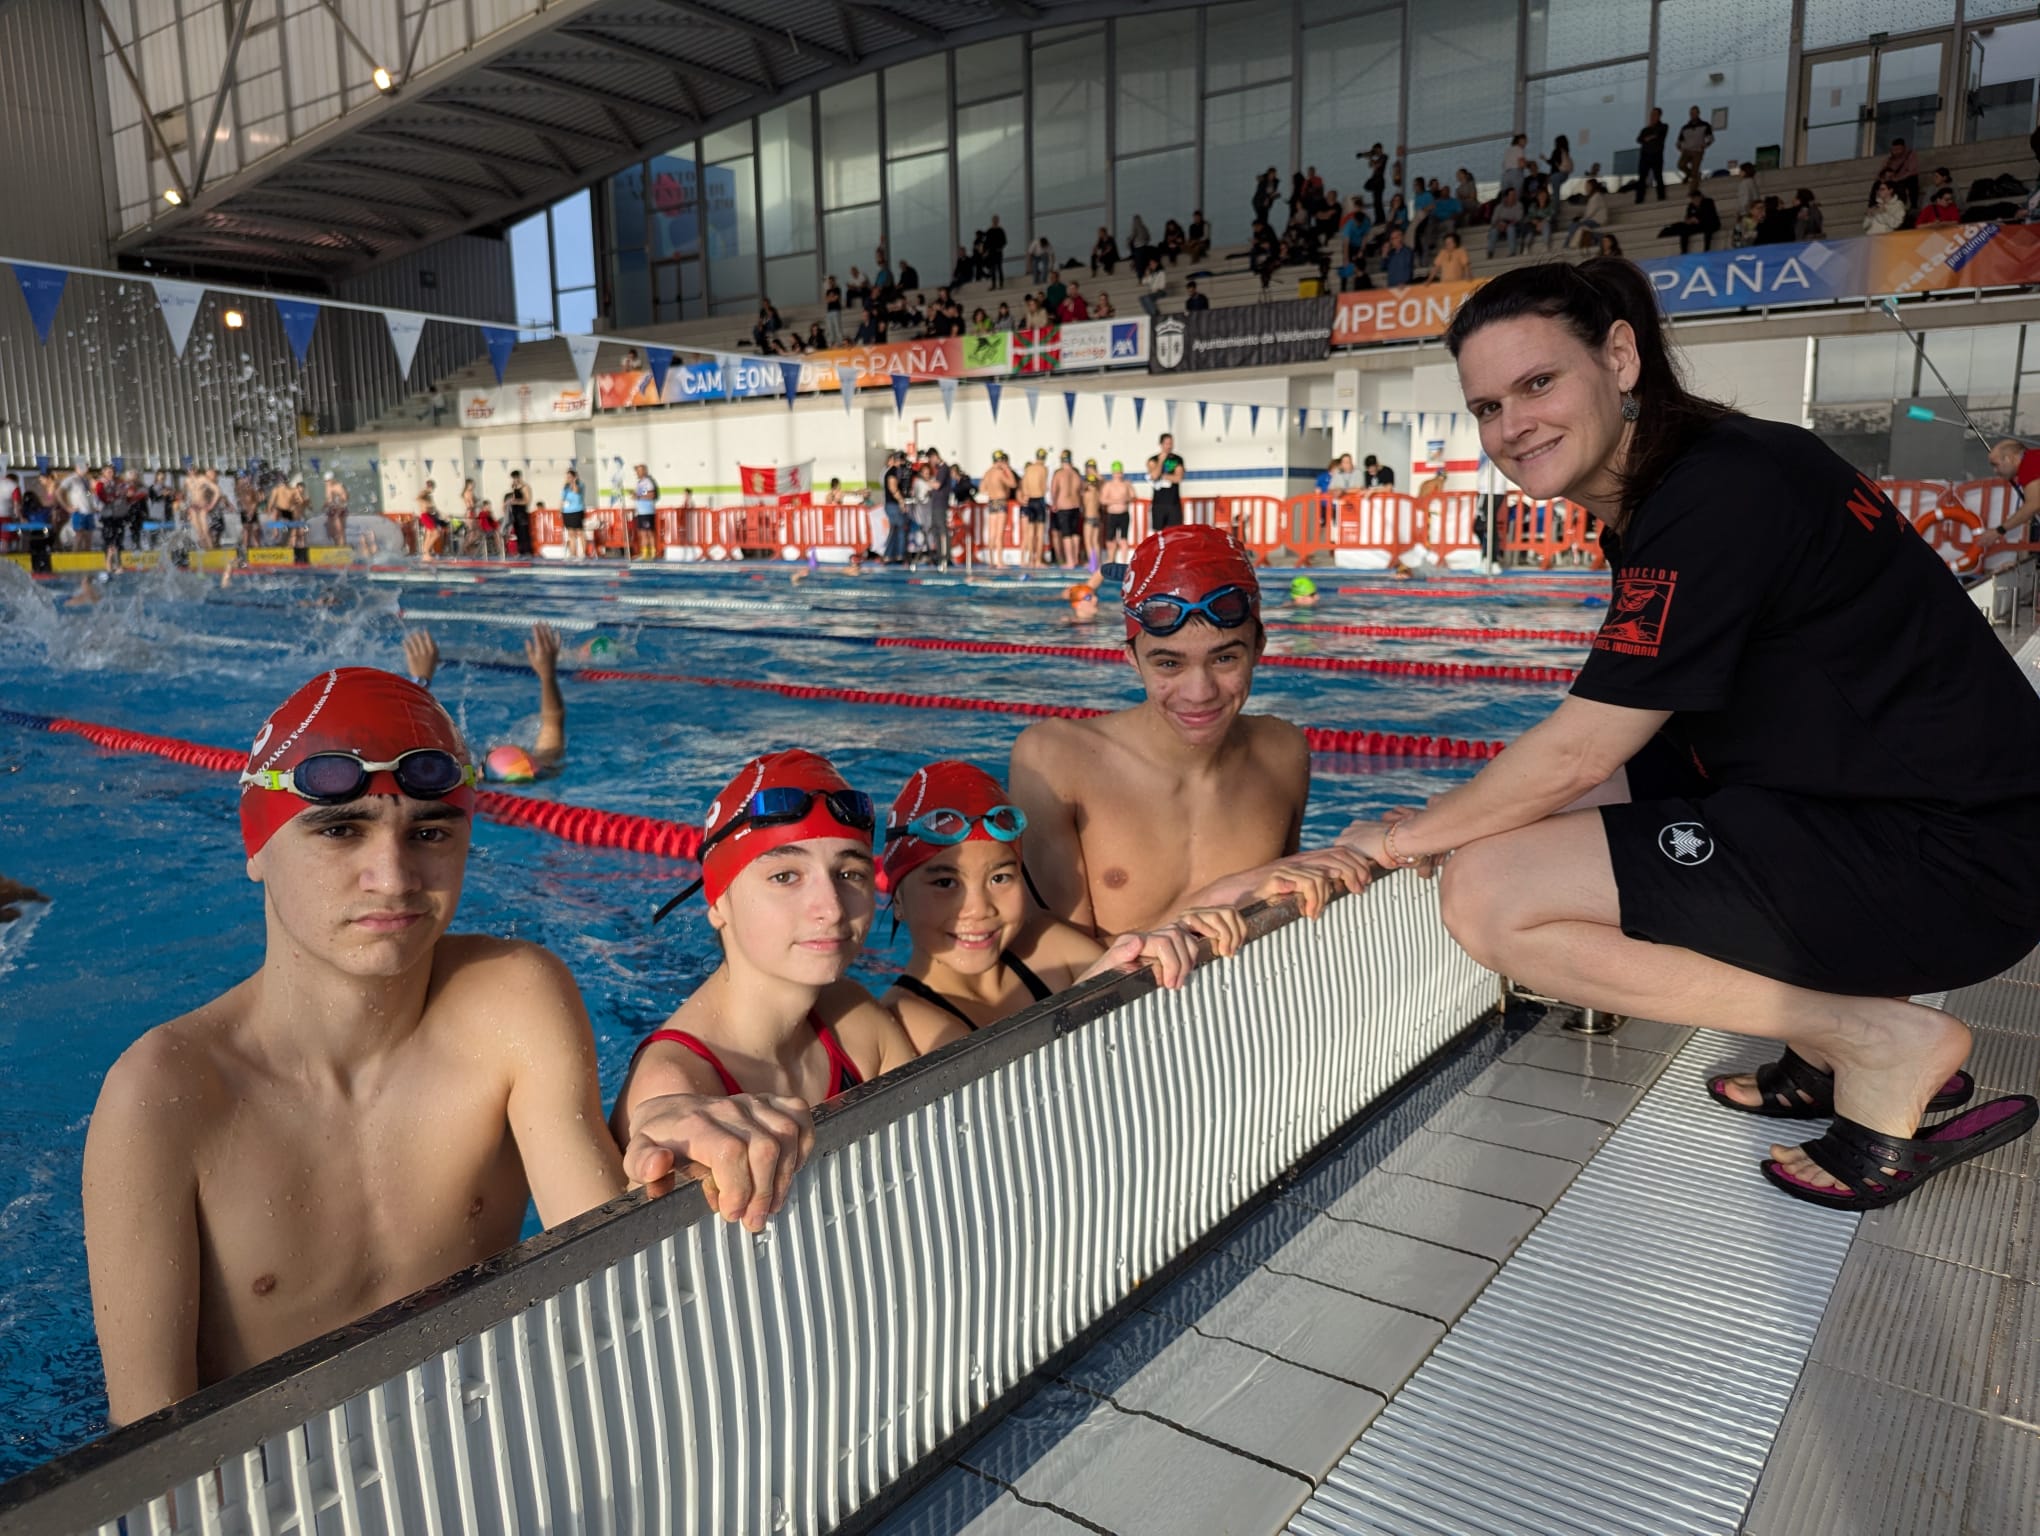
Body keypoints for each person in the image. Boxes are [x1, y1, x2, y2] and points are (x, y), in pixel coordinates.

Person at [1336, 257, 2040, 1214]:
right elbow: (1666, 750)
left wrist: (1405, 839)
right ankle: (1827, 1046)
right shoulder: (1709, 474)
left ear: (1620, 357)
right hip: (1930, 826)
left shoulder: (1714, 494)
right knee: (1515, 833)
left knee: (1491, 899)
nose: (1511, 426)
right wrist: (1463, 814)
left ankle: (1873, 1044)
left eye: (1538, 384)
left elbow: (1586, 748)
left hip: (1959, 864)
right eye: (1488, 406)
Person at [83, 669, 813, 1425]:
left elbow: (617, 1290)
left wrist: (660, 1137)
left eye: (430, 832)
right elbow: (149, 1453)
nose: (393, 877)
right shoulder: (165, 1097)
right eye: (340, 829)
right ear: (258, 844)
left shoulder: (514, 1000)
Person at [1008, 526, 1372, 939]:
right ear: (1132, 658)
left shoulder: (1284, 752)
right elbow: (1053, 974)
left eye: (1225, 659)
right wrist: (1228, 892)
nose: (1200, 693)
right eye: (1168, 664)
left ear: (1259, 647)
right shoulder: (1056, 761)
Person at [614, 751, 917, 1125]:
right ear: (719, 903)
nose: (832, 909)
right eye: (785, 876)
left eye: (849, 874)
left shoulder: (855, 1019)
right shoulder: (675, 1088)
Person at [880, 761, 1246, 1053]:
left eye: (1000, 878)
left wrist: (1199, 922)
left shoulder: (1045, 943)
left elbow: (1147, 1005)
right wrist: (1095, 979)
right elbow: (1012, 1101)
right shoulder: (904, 1018)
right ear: (897, 899)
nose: (977, 909)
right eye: (945, 883)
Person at [403, 624, 566, 784]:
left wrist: (421, 680)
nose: (493, 748)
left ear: (479, 774)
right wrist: (547, 675)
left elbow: (407, 735)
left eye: (489, 755)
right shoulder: (540, 768)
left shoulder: (454, 779)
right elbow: (553, 720)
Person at [980, 449, 1018, 565]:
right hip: (1001, 502)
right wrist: (1007, 469)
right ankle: (1000, 561)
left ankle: (991, 561)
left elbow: (982, 489)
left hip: (992, 502)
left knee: (992, 533)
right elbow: (1013, 484)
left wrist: (992, 491)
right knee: (999, 534)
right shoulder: (1000, 472)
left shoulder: (988, 473)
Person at [1048, 450, 1085, 568]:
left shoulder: (1059, 474)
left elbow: (1054, 490)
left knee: (1066, 534)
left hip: (1063, 507)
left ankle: (1069, 561)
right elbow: (1081, 491)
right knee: (1075, 533)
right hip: (1075, 506)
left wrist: (1054, 503)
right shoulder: (1076, 474)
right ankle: (1075, 559)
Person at [1661, 188, 1721, 253]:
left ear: (1700, 197)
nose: (1694, 200)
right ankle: (1684, 252)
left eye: (1695, 198)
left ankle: (1706, 250)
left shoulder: (1708, 202)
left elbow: (1710, 215)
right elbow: (1687, 217)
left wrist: (1698, 219)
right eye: (1692, 198)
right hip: (1698, 225)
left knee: (1708, 229)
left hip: (1710, 223)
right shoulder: (1691, 205)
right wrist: (1689, 221)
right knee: (1684, 230)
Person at [1146, 434, 1186, 530]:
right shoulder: (1153, 460)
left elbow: (1178, 478)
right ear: (1161, 444)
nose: (1169, 446)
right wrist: (1161, 461)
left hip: (1173, 502)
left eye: (1171, 443)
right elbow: (1154, 475)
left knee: (1175, 531)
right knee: (1158, 532)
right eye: (1167, 443)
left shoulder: (1177, 459)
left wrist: (1163, 476)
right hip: (1158, 502)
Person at [1019, 447, 1050, 567]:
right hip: (1039, 500)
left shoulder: (1029, 469)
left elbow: (1024, 486)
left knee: (1031, 533)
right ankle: (1037, 561)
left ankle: (1031, 560)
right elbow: (1043, 486)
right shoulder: (1044, 469)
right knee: (1040, 533)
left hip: (1030, 501)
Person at [1100, 460, 1135, 563]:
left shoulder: (1126, 484)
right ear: (1113, 473)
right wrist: (1116, 501)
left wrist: (1126, 499)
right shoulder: (1108, 485)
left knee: (1123, 539)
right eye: (1116, 473)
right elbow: (1102, 500)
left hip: (1124, 514)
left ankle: (1124, 561)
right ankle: (1111, 559)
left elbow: (1133, 496)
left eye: (1120, 472)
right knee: (1111, 538)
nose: (1118, 475)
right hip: (1112, 514)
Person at [1565, 178, 1610, 250]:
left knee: (1575, 224)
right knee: (1574, 224)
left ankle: (1568, 245)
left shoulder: (1596, 197)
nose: (1586, 188)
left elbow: (1590, 214)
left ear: (1592, 186)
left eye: (1587, 186)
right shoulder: (1592, 197)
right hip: (1592, 220)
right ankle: (1568, 244)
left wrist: (1580, 220)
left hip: (1598, 221)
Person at [1634, 107, 1668, 202]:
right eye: (1651, 115)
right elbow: (1639, 139)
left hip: (1656, 155)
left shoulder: (1663, 126)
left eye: (1655, 115)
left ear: (1659, 116)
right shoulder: (1645, 129)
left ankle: (1661, 198)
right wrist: (1650, 136)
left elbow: (1659, 135)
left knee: (1658, 177)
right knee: (1642, 178)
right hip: (1645, 156)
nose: (1652, 117)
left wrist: (1649, 137)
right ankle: (1639, 199)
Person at [1878, 138, 1920, 212]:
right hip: (1892, 180)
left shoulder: (1910, 154)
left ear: (1904, 148)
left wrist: (1899, 178)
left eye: (1898, 149)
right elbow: (1881, 172)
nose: (1896, 152)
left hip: (1905, 179)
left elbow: (1912, 171)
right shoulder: (1890, 159)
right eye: (1894, 149)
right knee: (1877, 184)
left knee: (1912, 180)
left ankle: (1912, 206)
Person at [1675, 105, 1713, 187]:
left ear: (1698, 114)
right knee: (1681, 165)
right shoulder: (1685, 127)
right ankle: (1690, 174)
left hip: (1697, 150)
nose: (1693, 115)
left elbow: (1710, 138)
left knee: (1695, 169)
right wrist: (1679, 147)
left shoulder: (1705, 125)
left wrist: (1705, 145)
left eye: (1695, 113)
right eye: (1692, 113)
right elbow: (1679, 140)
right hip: (1686, 150)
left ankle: (1694, 187)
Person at [1485, 187, 1526, 258]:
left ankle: (1512, 252)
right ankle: (1490, 252)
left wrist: (1507, 224)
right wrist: (1499, 224)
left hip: (1515, 226)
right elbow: (1493, 220)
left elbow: (1518, 218)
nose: (1514, 197)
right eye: (1512, 195)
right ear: (1506, 197)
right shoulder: (1499, 207)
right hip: (1500, 226)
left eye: (1514, 195)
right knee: (1494, 230)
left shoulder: (1519, 205)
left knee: (1510, 228)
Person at [556, 468, 587, 560]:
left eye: (570, 477)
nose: (568, 478)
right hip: (567, 512)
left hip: (577, 511)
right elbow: (562, 499)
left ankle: (583, 554)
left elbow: (576, 491)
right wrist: (560, 509)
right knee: (571, 533)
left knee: (579, 532)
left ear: (574, 477)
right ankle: (573, 554)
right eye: (567, 477)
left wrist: (573, 482)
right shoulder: (565, 487)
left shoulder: (580, 485)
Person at [985, 214, 1009, 287]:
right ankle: (994, 285)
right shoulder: (989, 231)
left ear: (998, 221)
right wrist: (986, 251)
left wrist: (1000, 248)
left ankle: (1001, 284)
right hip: (991, 252)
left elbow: (1004, 241)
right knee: (992, 269)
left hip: (998, 252)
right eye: (994, 220)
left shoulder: (1000, 230)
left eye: (996, 220)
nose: (995, 221)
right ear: (992, 221)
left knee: (999, 268)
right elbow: (987, 242)